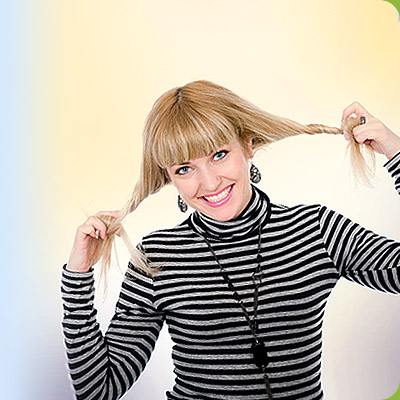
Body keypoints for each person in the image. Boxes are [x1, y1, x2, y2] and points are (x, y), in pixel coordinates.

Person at [62, 80, 400, 400]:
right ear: (169, 178)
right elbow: (98, 390)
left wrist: (395, 152)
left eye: (219, 154)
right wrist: (77, 278)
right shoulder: (157, 257)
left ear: (248, 144)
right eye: (184, 169)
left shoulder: (314, 231)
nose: (209, 183)